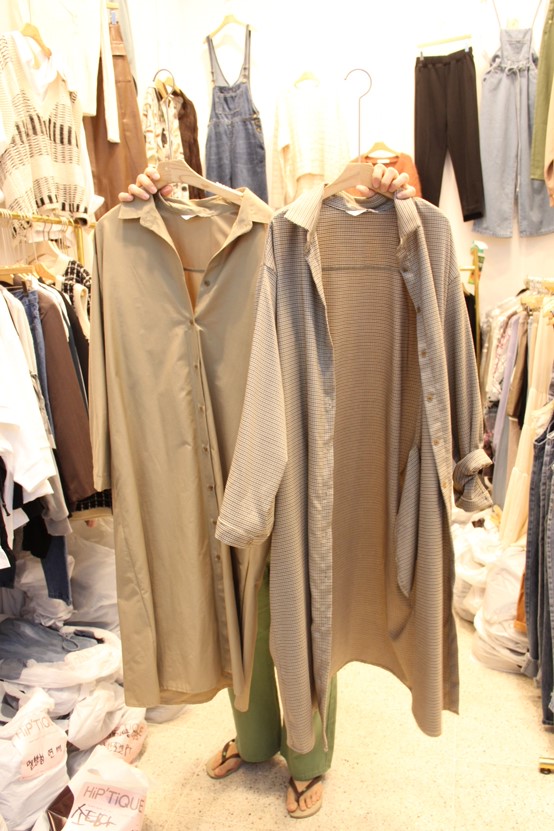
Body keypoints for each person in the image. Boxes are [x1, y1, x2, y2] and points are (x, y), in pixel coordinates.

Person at [118, 162, 417, 819]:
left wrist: (386, 194)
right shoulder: (209, 231)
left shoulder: (283, 234)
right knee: (241, 606)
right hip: (222, 437)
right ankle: (255, 739)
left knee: (308, 602)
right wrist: (153, 202)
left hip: (301, 435)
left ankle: (309, 755)